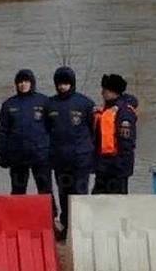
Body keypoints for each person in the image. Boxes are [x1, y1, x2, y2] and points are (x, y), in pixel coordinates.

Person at [45, 66, 95, 241]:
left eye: (66, 84)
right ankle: (66, 227)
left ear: (72, 83)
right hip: (59, 160)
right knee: (64, 194)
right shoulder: (49, 104)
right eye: (60, 84)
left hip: (81, 159)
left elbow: (93, 131)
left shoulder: (86, 104)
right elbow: (45, 131)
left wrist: (92, 157)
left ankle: (81, 230)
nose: (62, 87)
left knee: (80, 194)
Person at [0, 70, 55, 208]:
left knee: (45, 190)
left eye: (26, 81)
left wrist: (53, 152)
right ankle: (16, 220)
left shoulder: (44, 102)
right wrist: (2, 154)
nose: (23, 84)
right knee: (18, 191)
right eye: (20, 82)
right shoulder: (9, 105)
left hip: (40, 155)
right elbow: (2, 131)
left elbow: (53, 128)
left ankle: (50, 218)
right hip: (17, 157)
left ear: (32, 83)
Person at [92, 74, 138, 195]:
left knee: (117, 205)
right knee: (97, 202)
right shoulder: (105, 110)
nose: (102, 93)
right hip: (102, 167)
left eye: (105, 90)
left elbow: (126, 143)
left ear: (113, 92)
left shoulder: (124, 113)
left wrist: (121, 167)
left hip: (117, 168)